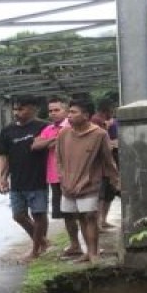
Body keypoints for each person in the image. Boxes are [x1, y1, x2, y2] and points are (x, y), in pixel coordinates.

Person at [56, 98, 121, 264]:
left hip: (89, 184)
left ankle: (93, 253)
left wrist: (116, 181)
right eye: (69, 112)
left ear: (86, 115)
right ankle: (85, 251)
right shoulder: (63, 133)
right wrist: (63, 179)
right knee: (78, 217)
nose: (69, 116)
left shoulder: (99, 134)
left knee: (90, 216)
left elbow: (108, 160)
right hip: (67, 185)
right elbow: (59, 159)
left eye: (73, 112)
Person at [0, 95, 51, 261]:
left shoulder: (44, 127)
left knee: (39, 215)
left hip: (38, 178)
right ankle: (42, 241)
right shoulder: (7, 131)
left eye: (21, 108)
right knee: (18, 215)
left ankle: (36, 250)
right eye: (15, 109)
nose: (16, 112)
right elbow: (3, 156)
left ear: (34, 108)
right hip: (17, 180)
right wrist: (1, 177)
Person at [31, 96, 83, 258]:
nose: (52, 114)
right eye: (50, 111)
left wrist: (52, 141)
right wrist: (54, 139)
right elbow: (35, 145)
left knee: (83, 212)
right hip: (55, 177)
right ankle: (75, 244)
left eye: (56, 110)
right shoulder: (49, 129)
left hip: (74, 175)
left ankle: (88, 246)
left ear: (66, 111)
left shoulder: (74, 126)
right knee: (66, 213)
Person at [90, 99, 120, 229]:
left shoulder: (109, 122)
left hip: (110, 163)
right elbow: (102, 141)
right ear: (106, 111)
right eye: (111, 111)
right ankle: (98, 223)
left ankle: (102, 221)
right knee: (101, 195)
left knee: (108, 194)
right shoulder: (96, 121)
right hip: (101, 165)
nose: (112, 114)